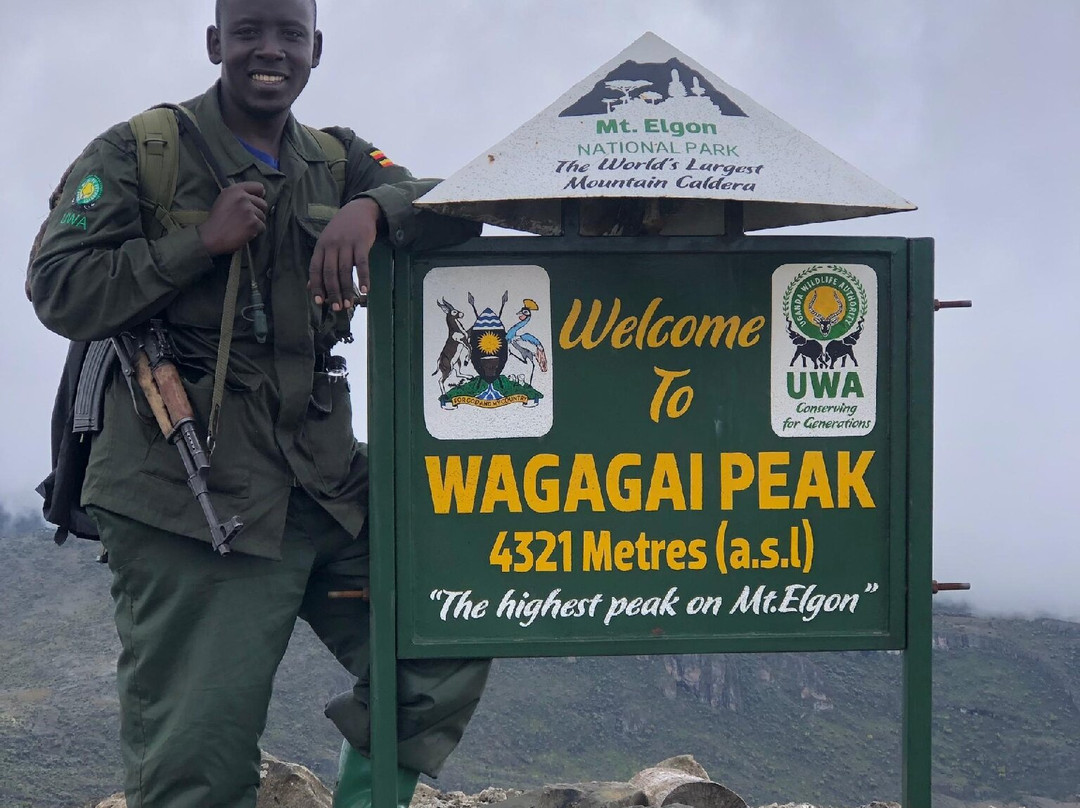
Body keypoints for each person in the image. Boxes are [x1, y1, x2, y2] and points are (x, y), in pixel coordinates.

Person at [27, 0, 490, 806]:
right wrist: (196, 244)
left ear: (316, 48)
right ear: (216, 43)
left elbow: (458, 205)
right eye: (248, 32)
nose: (269, 50)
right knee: (196, 767)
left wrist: (373, 209)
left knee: (451, 620)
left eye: (289, 34)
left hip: (323, 483)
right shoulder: (142, 151)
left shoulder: (338, 160)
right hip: (189, 498)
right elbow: (56, 285)